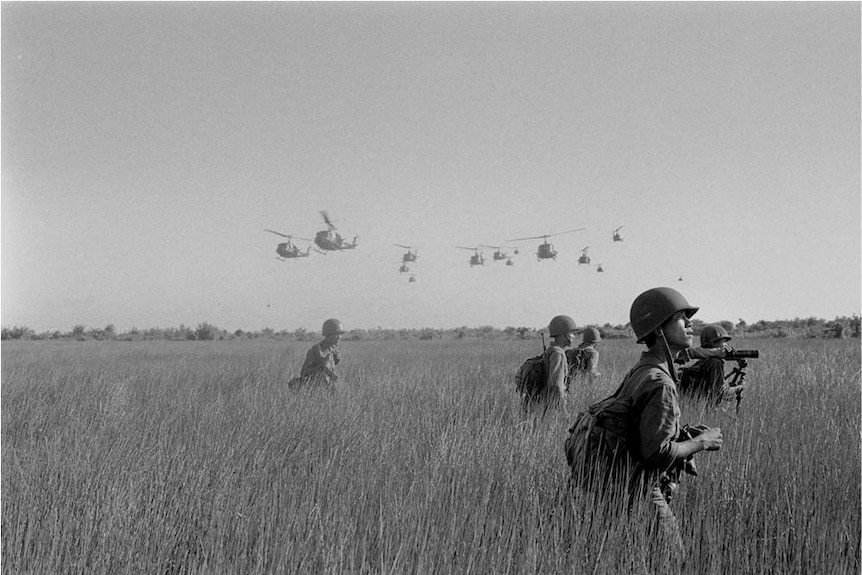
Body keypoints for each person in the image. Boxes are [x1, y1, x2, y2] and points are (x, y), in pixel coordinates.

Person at [565, 287, 723, 573]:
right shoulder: (660, 382)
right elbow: (656, 453)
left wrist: (681, 433)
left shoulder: (642, 370)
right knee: (674, 563)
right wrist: (701, 442)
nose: (690, 324)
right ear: (659, 330)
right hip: (639, 490)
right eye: (681, 318)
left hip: (615, 487)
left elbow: (635, 430)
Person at [679, 324, 745, 406]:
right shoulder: (715, 363)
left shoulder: (703, 361)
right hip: (707, 410)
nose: (726, 345)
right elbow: (719, 394)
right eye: (723, 342)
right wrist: (738, 388)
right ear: (713, 343)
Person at [525, 315, 577, 412]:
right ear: (563, 334)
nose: (574, 336)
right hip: (550, 406)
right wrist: (563, 410)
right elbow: (556, 385)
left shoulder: (551, 351)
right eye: (572, 333)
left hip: (540, 403)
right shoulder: (558, 354)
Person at [290, 318, 344, 388]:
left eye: (341, 334)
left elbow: (331, 369)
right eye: (337, 334)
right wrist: (320, 368)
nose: (339, 337)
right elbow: (304, 372)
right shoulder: (316, 349)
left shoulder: (333, 350)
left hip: (327, 386)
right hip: (314, 387)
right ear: (328, 334)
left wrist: (336, 360)